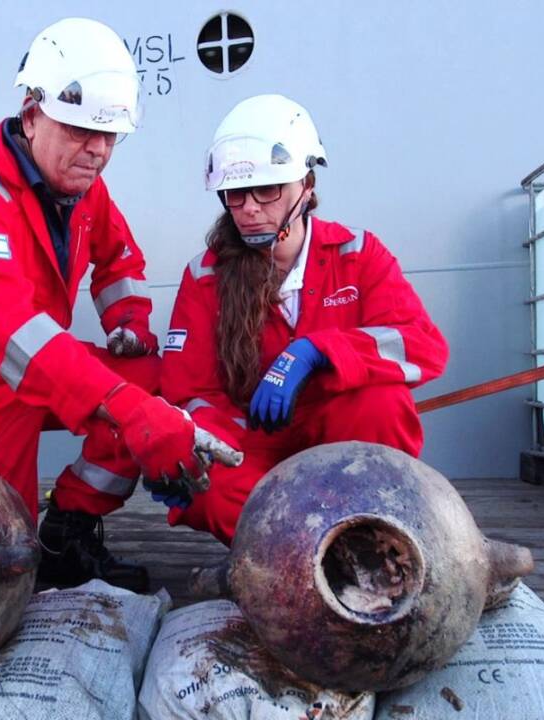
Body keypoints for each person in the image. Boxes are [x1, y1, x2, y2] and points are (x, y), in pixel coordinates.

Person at [0, 17, 236, 591]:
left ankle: (69, 529)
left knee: (151, 377)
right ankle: (26, 546)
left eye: (110, 137)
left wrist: (128, 323)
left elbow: (120, 259)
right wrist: (130, 411)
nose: (98, 151)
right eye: (81, 131)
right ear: (32, 115)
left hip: (41, 368)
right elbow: (15, 337)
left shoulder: (82, 189)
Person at [159, 94, 449, 545]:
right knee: (209, 487)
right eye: (236, 193)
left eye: (268, 189)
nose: (250, 206)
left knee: (383, 403)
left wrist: (316, 352)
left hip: (339, 439)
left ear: (307, 185)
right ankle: (318, 556)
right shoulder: (205, 275)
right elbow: (189, 392)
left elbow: (423, 347)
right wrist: (213, 445)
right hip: (253, 445)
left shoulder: (357, 254)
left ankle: (362, 534)